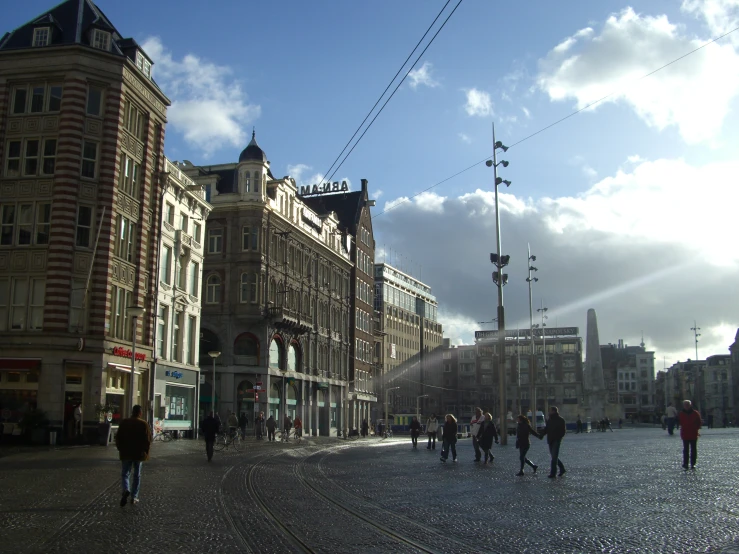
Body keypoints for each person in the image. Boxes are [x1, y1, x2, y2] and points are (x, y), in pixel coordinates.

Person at [115, 405, 152, 506]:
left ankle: (126, 489)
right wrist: (146, 452)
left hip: (126, 452)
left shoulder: (124, 422)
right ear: (140, 413)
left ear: (132, 412)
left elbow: (118, 437)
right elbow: (148, 440)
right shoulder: (143, 424)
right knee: (137, 475)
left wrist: (120, 448)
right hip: (138, 454)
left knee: (125, 474)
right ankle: (134, 497)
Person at [539, 406, 566, 478]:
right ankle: (562, 469)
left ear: (554, 411)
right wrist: (541, 435)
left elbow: (563, 431)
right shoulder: (549, 420)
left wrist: (558, 437)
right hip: (550, 440)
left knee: (554, 457)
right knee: (554, 456)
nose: (549, 412)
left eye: (550, 410)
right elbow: (547, 429)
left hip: (556, 440)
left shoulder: (561, 420)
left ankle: (553, 473)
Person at [678, 399, 702, 469]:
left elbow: (699, 422)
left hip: (693, 433)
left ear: (690, 405)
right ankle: (685, 463)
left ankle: (693, 463)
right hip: (685, 434)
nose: (686, 406)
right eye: (685, 405)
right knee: (686, 449)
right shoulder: (681, 413)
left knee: (693, 449)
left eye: (687, 405)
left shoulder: (695, 413)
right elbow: (680, 422)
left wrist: (696, 429)